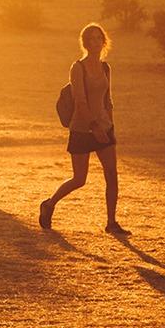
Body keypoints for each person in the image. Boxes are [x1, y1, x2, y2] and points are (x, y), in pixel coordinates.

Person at [40, 23, 129, 235]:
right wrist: (93, 127)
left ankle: (111, 222)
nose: (96, 42)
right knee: (79, 179)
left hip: (104, 128)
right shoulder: (78, 67)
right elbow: (80, 101)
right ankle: (49, 204)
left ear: (104, 41)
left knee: (112, 174)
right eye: (91, 39)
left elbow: (108, 100)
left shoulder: (105, 68)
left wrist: (109, 127)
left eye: (99, 38)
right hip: (82, 129)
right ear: (85, 43)